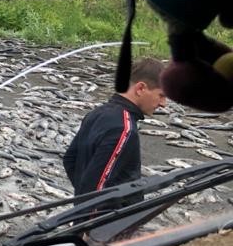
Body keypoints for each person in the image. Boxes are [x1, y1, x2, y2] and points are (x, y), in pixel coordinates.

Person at [63, 57, 166, 196]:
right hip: (107, 216)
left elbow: (70, 160)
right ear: (140, 88)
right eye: (161, 95)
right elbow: (96, 191)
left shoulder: (96, 113)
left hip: (86, 213)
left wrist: (80, 195)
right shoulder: (124, 128)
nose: (163, 104)